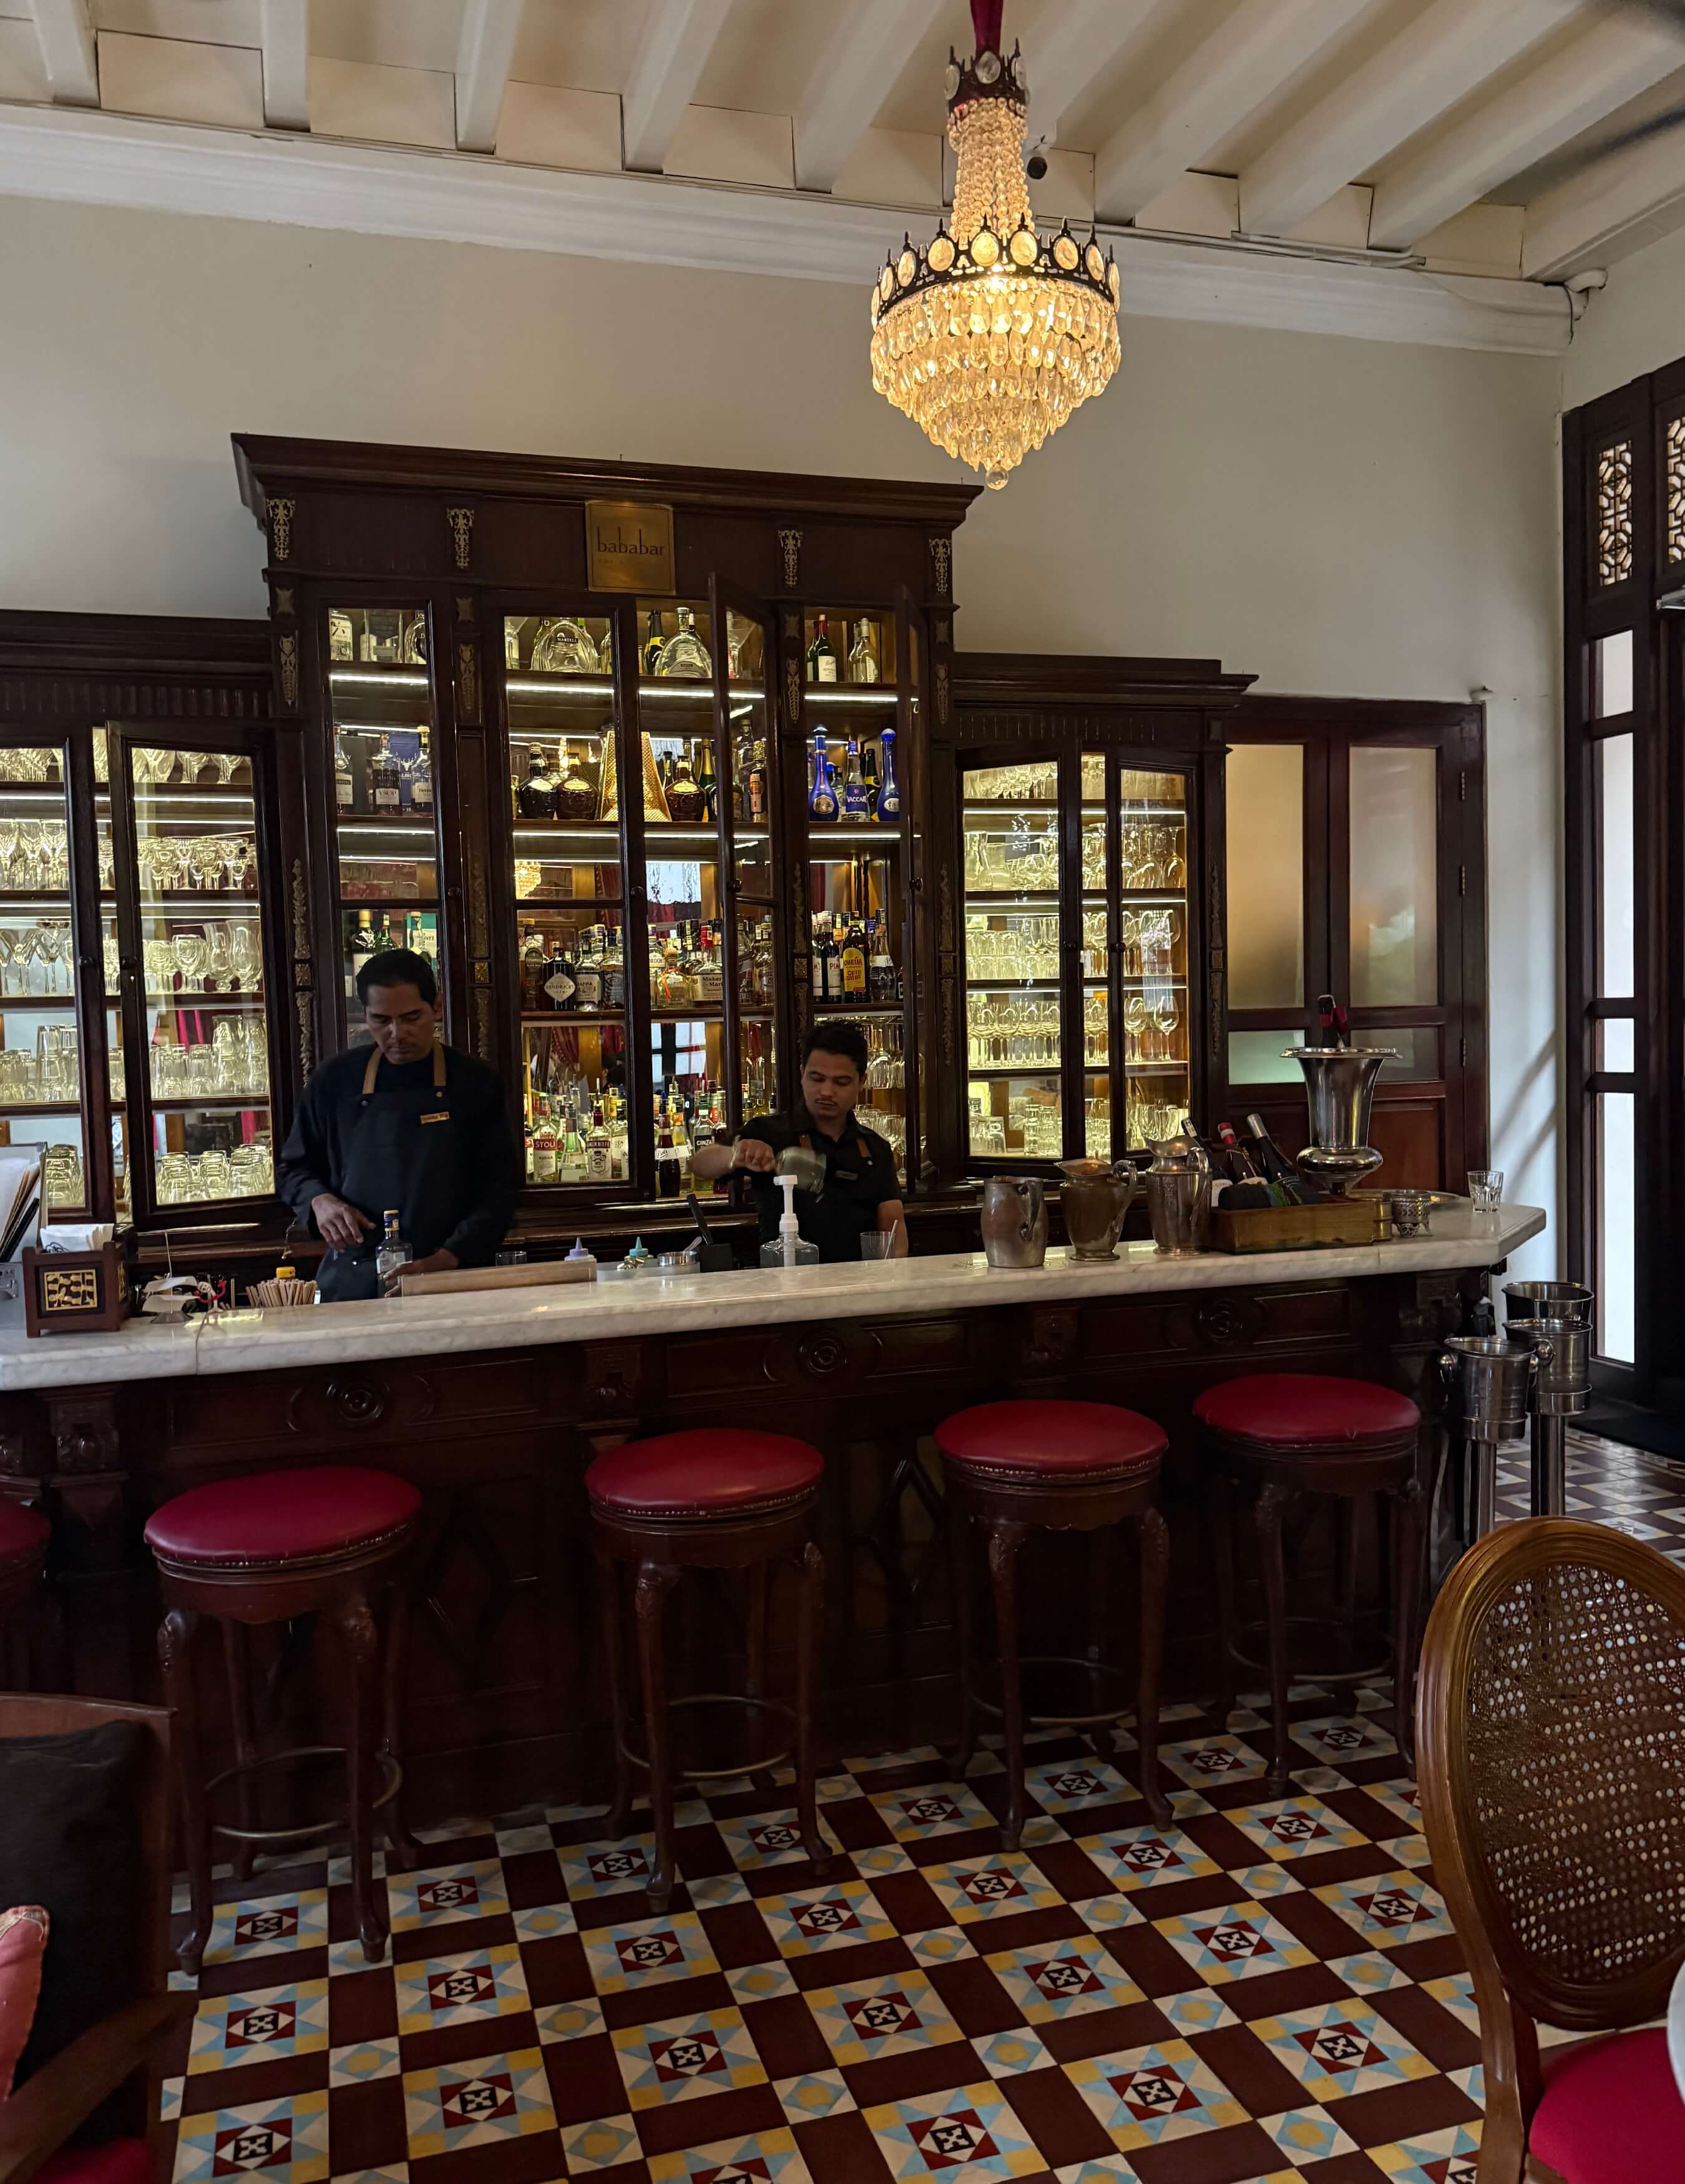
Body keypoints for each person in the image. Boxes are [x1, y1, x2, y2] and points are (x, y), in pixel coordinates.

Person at [278, 947, 519, 1301]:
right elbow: (293, 1169)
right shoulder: (334, 1080)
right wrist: (319, 1201)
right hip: (354, 1279)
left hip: (449, 1279)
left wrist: (448, 1258)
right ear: (365, 1014)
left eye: (411, 1017)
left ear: (437, 1006)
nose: (397, 1033)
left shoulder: (475, 1083)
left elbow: (499, 1190)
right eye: (381, 1020)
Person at [691, 1022, 907, 1263]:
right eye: (817, 1078)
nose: (826, 1091)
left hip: (859, 1280)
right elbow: (699, 1164)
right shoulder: (769, 1132)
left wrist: (890, 1278)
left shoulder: (875, 1148)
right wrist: (735, 1154)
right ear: (803, 1074)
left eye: (841, 1082)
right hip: (784, 1278)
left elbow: (894, 1231)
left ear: (862, 1081)